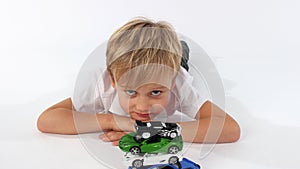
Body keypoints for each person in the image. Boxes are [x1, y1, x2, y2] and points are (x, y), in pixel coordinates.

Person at [37, 17, 240, 145]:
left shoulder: (179, 81)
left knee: (181, 57)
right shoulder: (103, 84)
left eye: (156, 92)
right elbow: (47, 120)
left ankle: (181, 50)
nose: (143, 106)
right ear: (113, 80)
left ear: (171, 82)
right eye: (131, 92)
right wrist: (112, 121)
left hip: (178, 65)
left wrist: (154, 132)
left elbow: (230, 129)